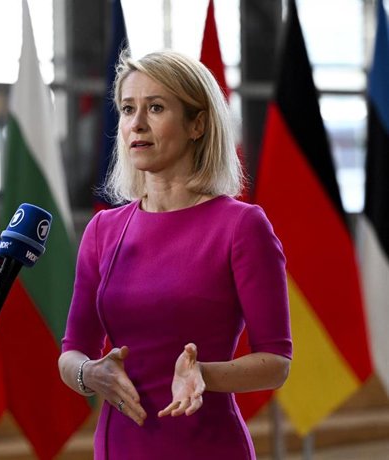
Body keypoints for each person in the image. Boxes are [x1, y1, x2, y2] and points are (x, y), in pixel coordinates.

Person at [58, 49, 292, 459]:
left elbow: (276, 362)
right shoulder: (102, 230)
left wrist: (203, 374)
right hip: (118, 448)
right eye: (128, 109)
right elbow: (71, 352)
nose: (137, 123)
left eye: (156, 107)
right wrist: (90, 372)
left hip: (209, 447)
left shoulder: (241, 226)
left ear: (197, 124)